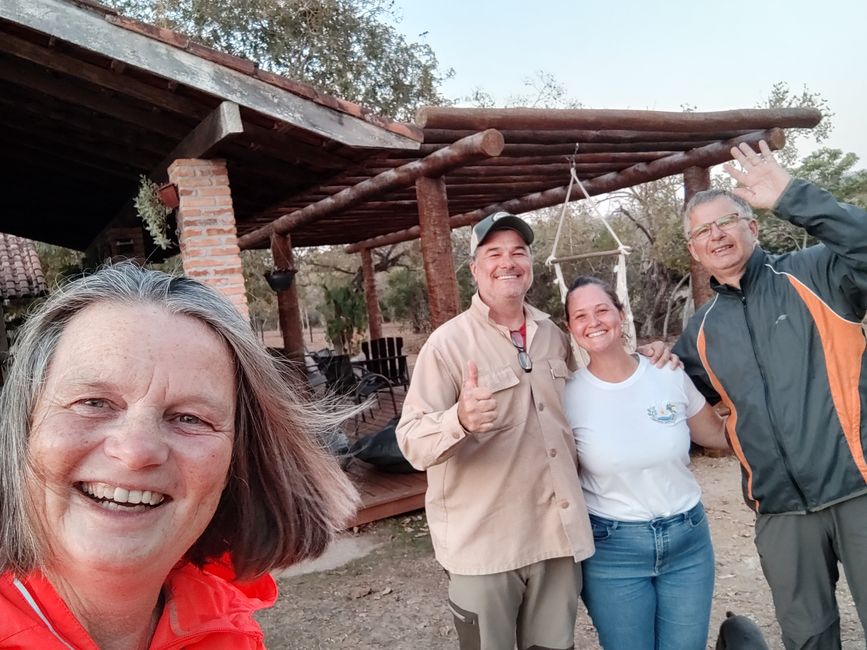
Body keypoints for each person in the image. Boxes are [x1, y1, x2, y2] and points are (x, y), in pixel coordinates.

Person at [0, 263, 358, 649]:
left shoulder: (231, 634)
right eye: (93, 402)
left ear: (238, 460)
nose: (136, 452)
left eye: (190, 418)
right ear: (23, 428)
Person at [396, 212, 673, 650]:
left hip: (556, 540)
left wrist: (649, 355)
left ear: (529, 265)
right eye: (495, 253)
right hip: (486, 549)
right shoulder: (446, 345)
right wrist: (460, 421)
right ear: (475, 269)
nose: (508, 262)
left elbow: (599, 382)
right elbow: (411, 441)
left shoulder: (552, 335)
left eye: (518, 252)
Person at [673, 140, 867, 650]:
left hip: (859, 492)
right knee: (807, 640)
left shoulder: (818, 274)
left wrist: (792, 195)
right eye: (702, 231)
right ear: (693, 251)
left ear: (752, 226)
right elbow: (672, 396)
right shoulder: (699, 334)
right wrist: (650, 357)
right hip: (780, 515)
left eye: (726, 222)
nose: (716, 236)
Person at [562, 275, 728, 650]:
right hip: (613, 550)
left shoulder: (666, 372)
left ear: (620, 314)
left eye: (603, 310)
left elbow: (717, 436)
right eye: (581, 315)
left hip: (688, 541)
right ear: (570, 328)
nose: (594, 322)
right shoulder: (568, 396)